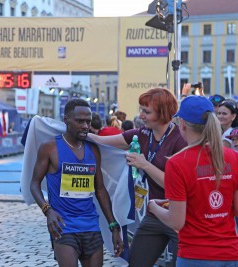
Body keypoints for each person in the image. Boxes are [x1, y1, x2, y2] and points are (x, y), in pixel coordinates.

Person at [88, 88, 187, 267]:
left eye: (146, 111)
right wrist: (77, 131)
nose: (141, 115)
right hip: (154, 214)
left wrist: (145, 165)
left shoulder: (180, 139)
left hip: (179, 217)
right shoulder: (141, 134)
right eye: (141, 109)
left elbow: (174, 185)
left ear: (163, 112)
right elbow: (100, 142)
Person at [30, 99, 123, 267]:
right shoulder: (50, 148)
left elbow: (100, 190)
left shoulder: (93, 150)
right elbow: (34, 184)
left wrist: (113, 224)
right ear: (66, 119)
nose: (85, 126)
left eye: (88, 121)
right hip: (64, 226)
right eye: (80, 121)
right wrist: (47, 210)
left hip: (91, 226)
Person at [148, 96, 238, 266]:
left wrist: (154, 207)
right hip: (230, 254)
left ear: (182, 123)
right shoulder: (233, 157)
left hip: (195, 255)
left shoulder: (177, 163)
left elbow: (176, 222)